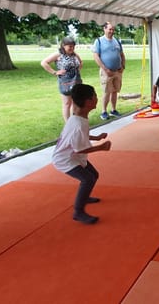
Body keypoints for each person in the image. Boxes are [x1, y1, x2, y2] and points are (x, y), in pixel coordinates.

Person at [51, 84, 111, 224]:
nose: (97, 98)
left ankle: (84, 196)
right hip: (66, 159)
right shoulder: (78, 124)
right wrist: (101, 147)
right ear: (89, 101)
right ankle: (78, 212)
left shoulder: (78, 118)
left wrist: (96, 138)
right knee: (87, 179)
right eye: (95, 96)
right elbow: (80, 148)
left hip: (73, 156)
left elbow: (81, 136)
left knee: (93, 175)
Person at [41, 37, 83, 121]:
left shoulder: (74, 54)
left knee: (75, 102)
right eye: (70, 46)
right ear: (63, 46)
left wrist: (78, 68)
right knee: (67, 103)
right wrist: (55, 72)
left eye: (73, 46)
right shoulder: (58, 54)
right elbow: (44, 63)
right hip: (65, 81)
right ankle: (68, 123)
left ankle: (74, 120)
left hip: (76, 80)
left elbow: (81, 62)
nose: (72, 48)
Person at [92, 21, 126, 120]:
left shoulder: (117, 41)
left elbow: (122, 55)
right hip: (106, 72)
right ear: (104, 29)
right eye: (110, 29)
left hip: (117, 71)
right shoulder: (99, 41)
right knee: (107, 91)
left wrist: (123, 66)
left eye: (113, 29)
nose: (111, 31)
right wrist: (105, 69)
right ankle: (103, 111)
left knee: (115, 91)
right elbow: (96, 56)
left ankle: (113, 110)